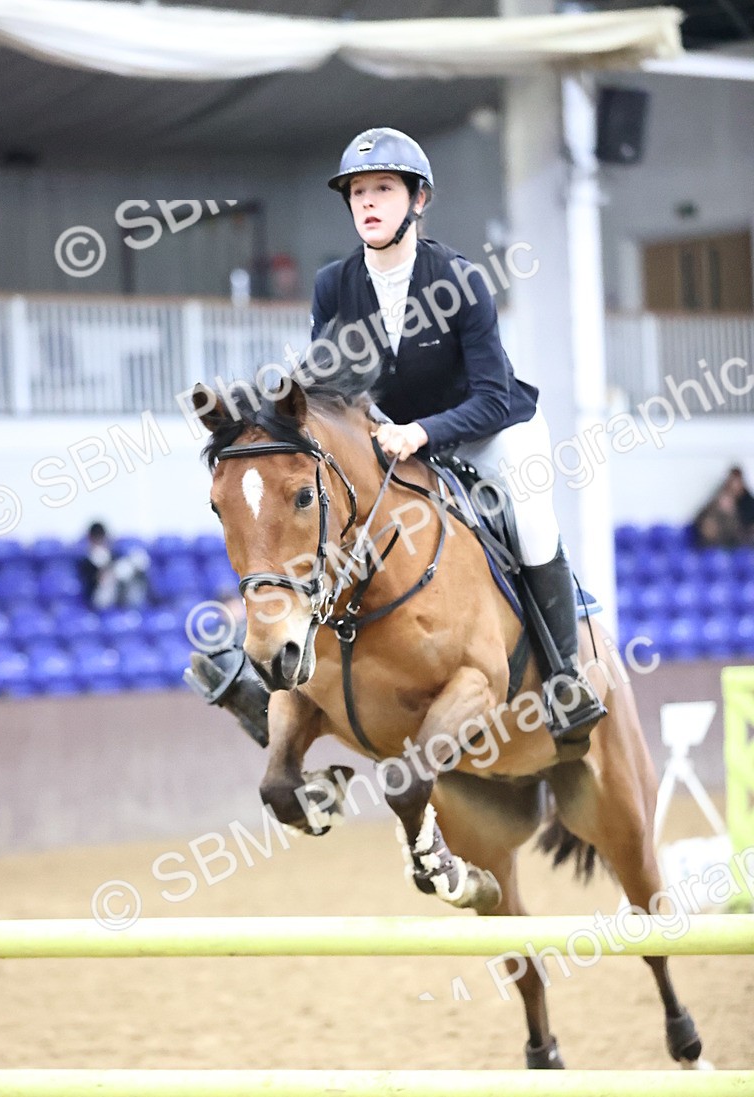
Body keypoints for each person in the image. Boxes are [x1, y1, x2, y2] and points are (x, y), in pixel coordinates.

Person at [189, 127, 606, 749]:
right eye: (357, 191)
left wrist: (423, 432)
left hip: (488, 429)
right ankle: (277, 674)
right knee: (324, 510)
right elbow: (323, 384)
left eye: (383, 187)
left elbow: (492, 396)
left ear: (418, 199)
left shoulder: (460, 280)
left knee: (531, 516)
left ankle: (564, 678)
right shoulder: (336, 284)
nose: (368, 201)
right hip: (389, 441)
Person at [78, 522, 149, 610]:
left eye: (101, 538)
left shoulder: (113, 555)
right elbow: (92, 582)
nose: (99, 541)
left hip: (121, 592)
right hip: (100, 600)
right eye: (96, 538)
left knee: (133, 565)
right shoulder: (85, 562)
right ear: (90, 539)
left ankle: (132, 611)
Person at [693, 466, 754, 548]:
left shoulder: (748, 502)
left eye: (736, 481)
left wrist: (732, 512)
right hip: (719, 538)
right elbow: (701, 516)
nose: (733, 485)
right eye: (731, 481)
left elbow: (747, 523)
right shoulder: (720, 497)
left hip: (739, 538)